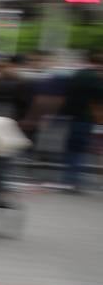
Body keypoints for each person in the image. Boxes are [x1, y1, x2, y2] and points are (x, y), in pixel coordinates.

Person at [56, 50, 103, 193]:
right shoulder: (95, 78)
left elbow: (67, 93)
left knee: (72, 149)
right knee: (79, 149)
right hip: (86, 117)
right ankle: (72, 181)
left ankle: (68, 180)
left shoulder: (78, 74)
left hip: (74, 116)